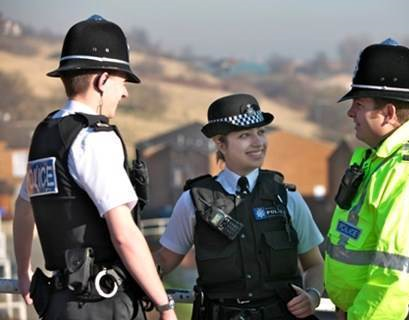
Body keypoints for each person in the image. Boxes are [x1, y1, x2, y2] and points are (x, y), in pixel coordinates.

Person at [13, 15, 177, 320]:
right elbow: (124, 234)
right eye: (121, 82)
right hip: (103, 303)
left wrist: (23, 272)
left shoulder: (46, 135)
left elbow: (24, 209)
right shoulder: (94, 139)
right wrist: (165, 306)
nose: (125, 93)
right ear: (102, 81)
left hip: (59, 304)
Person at [324, 39, 409, 320]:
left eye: (359, 104)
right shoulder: (380, 159)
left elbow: (396, 274)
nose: (351, 112)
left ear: (388, 114)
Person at [156, 93, 324, 319]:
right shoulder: (193, 201)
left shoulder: (287, 197)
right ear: (219, 142)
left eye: (261, 133)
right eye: (245, 135)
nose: (258, 142)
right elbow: (164, 261)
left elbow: (315, 264)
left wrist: (312, 296)